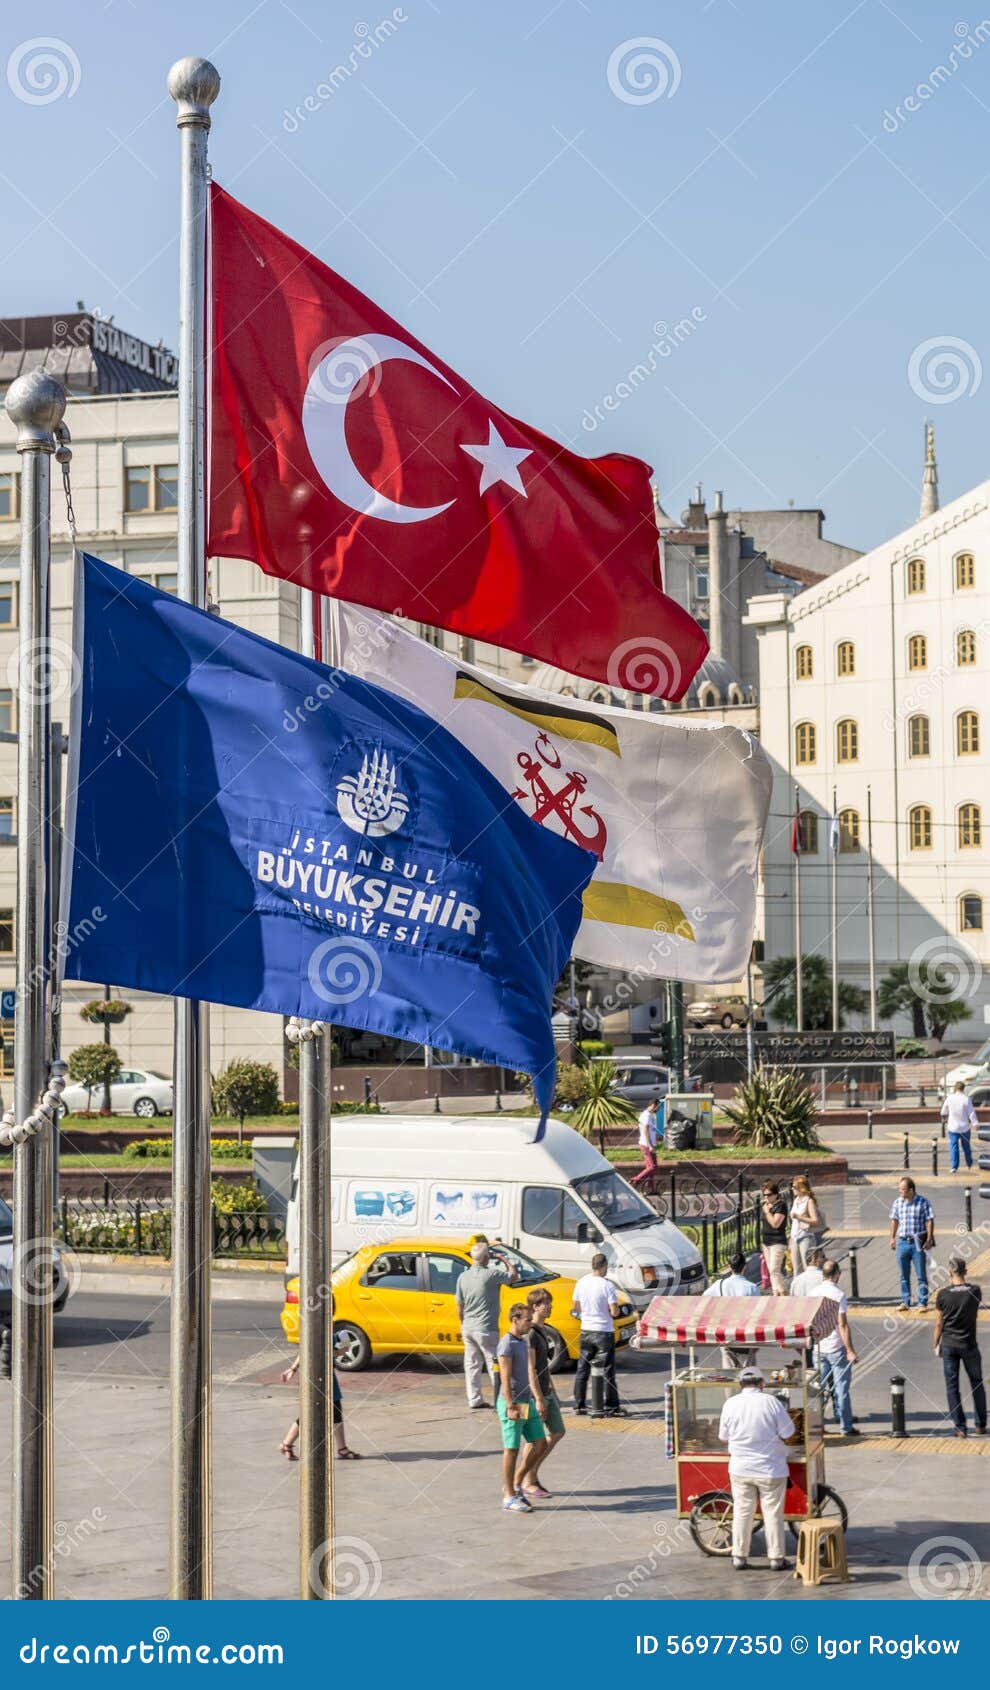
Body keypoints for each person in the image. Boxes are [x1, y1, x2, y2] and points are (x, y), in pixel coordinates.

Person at [717, 1365, 795, 1572]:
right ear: (762, 1383)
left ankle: (739, 1557)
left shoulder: (730, 1403)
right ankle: (776, 1559)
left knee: (742, 1512)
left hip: (740, 1468)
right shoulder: (772, 1402)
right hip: (771, 1469)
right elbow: (788, 1432)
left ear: (741, 1384)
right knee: (773, 1514)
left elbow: (723, 1437)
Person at [455, 1238, 519, 1408]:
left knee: (472, 1365)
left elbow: (460, 1305)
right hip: (486, 1328)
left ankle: (474, 1399)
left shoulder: (463, 1277)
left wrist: (462, 1324)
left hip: (468, 1327)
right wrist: (505, 1260)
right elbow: (514, 1277)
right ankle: (502, 1400)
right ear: (486, 1258)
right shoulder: (491, 1274)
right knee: (494, 1366)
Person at [495, 1302, 547, 1512]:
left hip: (526, 1402)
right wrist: (510, 1405)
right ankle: (508, 1495)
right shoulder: (506, 1344)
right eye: (527, 1320)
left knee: (540, 1443)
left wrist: (537, 1397)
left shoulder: (522, 1341)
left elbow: (528, 1371)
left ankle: (516, 1483)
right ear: (515, 1320)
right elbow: (504, 1378)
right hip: (513, 1402)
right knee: (512, 1449)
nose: (530, 1323)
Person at [520, 1287, 566, 1497]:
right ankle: (525, 1480)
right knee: (533, 1439)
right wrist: (538, 1398)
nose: (550, 1306)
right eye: (546, 1303)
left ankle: (532, 1471)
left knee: (557, 1431)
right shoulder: (530, 1334)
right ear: (536, 1306)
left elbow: (543, 1366)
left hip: (545, 1389)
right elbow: (530, 1368)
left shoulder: (543, 1330)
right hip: (531, 1395)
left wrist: (552, 1390)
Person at [934, 1257, 987, 1438]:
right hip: (969, 1344)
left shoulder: (942, 1294)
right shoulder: (975, 1291)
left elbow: (939, 1323)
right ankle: (980, 1425)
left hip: (949, 1345)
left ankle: (960, 1427)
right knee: (977, 1383)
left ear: (950, 1272)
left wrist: (935, 1344)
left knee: (952, 1386)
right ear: (965, 1272)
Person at [571, 1252, 626, 1417]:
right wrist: (610, 1311)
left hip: (586, 1330)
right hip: (604, 1331)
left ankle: (579, 1404)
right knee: (608, 1370)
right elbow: (614, 1311)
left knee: (582, 1368)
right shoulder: (607, 1285)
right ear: (604, 1266)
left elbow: (575, 1307)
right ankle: (611, 1406)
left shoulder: (581, 1282)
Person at [280, 1354, 362, 1461]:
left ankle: (342, 1449)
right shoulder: (327, 1336)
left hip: (326, 1376)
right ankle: (286, 1445)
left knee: (334, 1411)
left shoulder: (331, 1336)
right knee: (311, 1414)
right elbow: (307, 1349)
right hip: (317, 1377)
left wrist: (293, 1369)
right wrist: (293, 1369)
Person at [816, 1259, 859, 1436]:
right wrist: (850, 1350)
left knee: (819, 1389)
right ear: (837, 1274)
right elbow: (842, 1324)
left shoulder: (814, 1292)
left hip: (819, 1348)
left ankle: (818, 1426)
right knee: (841, 1389)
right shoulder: (838, 1294)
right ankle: (845, 1427)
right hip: (836, 1347)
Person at [888, 1176, 935, 1311]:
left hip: (917, 1243)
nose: (900, 1191)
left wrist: (929, 1239)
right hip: (902, 1242)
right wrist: (892, 1238)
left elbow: (929, 1220)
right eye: (899, 1189)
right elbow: (894, 1220)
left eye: (902, 1189)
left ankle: (922, 1302)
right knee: (903, 1274)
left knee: (921, 1274)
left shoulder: (923, 1202)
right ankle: (905, 1301)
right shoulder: (897, 1202)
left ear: (911, 1190)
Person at [707, 1252, 760, 1369]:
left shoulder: (719, 1284)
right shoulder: (752, 1287)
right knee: (749, 1373)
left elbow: (704, 1300)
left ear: (730, 1267)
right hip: (746, 1335)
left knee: (729, 1372)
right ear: (745, 1267)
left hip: (726, 1334)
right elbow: (757, 1312)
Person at [789, 1175, 824, 1272]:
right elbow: (794, 1223)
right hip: (795, 1237)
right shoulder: (796, 1200)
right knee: (796, 1270)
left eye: (794, 1187)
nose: (792, 1189)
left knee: (808, 1268)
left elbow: (815, 1221)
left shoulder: (809, 1201)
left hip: (806, 1237)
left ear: (802, 1188)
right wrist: (791, 1238)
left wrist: (800, 1217)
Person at [941, 1081, 978, 1173]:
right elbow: (971, 1113)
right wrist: (975, 1124)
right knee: (966, 1147)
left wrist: (946, 1119)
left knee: (954, 1147)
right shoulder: (966, 1099)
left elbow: (943, 1112)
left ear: (955, 1088)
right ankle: (969, 1164)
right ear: (963, 1088)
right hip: (965, 1127)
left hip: (953, 1128)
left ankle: (954, 1167)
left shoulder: (950, 1098)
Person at [760, 1182, 789, 1295]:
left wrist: (767, 1212)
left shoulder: (780, 1205)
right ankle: (776, 1293)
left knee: (774, 1270)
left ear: (776, 1194)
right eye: (765, 1195)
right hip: (767, 1242)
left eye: (769, 1194)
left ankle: (783, 1294)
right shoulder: (765, 1205)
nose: (766, 1197)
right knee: (772, 1272)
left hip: (777, 1241)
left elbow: (775, 1224)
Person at [631, 1095, 661, 1188]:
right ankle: (635, 1180)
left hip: (650, 1144)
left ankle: (649, 1186)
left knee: (653, 1166)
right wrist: (650, 1145)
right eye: (657, 1107)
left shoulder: (648, 1115)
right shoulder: (646, 1115)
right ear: (653, 1105)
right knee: (651, 1167)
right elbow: (645, 1131)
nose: (658, 1109)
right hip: (646, 1145)